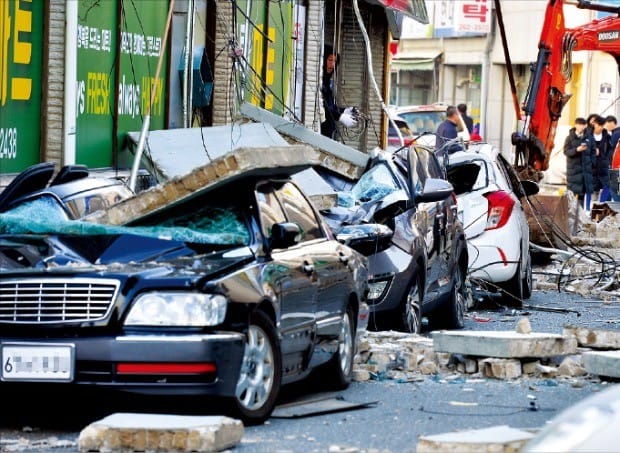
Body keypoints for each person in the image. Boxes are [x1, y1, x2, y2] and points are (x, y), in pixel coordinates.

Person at [320, 47, 358, 139]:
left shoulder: (326, 82)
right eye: (330, 60)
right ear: (323, 59)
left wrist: (345, 111)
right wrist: (340, 116)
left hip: (327, 134)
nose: (332, 64)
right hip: (319, 132)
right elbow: (322, 107)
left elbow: (330, 106)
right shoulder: (318, 81)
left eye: (335, 61)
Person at [563, 117, 593, 209]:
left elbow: (593, 152)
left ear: (585, 126)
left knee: (582, 195)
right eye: (579, 125)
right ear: (575, 125)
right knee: (571, 195)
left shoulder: (589, 138)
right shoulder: (569, 138)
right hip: (573, 171)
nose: (581, 127)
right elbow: (566, 152)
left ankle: (581, 216)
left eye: (583, 125)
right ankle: (571, 215)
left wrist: (591, 163)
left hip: (585, 171)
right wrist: (577, 150)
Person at [589, 115, 613, 202]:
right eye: (598, 125)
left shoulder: (607, 137)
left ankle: (602, 206)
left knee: (607, 187)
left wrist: (605, 157)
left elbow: (610, 150)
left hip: (603, 167)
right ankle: (591, 210)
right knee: (593, 192)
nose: (600, 127)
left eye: (602, 125)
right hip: (592, 168)